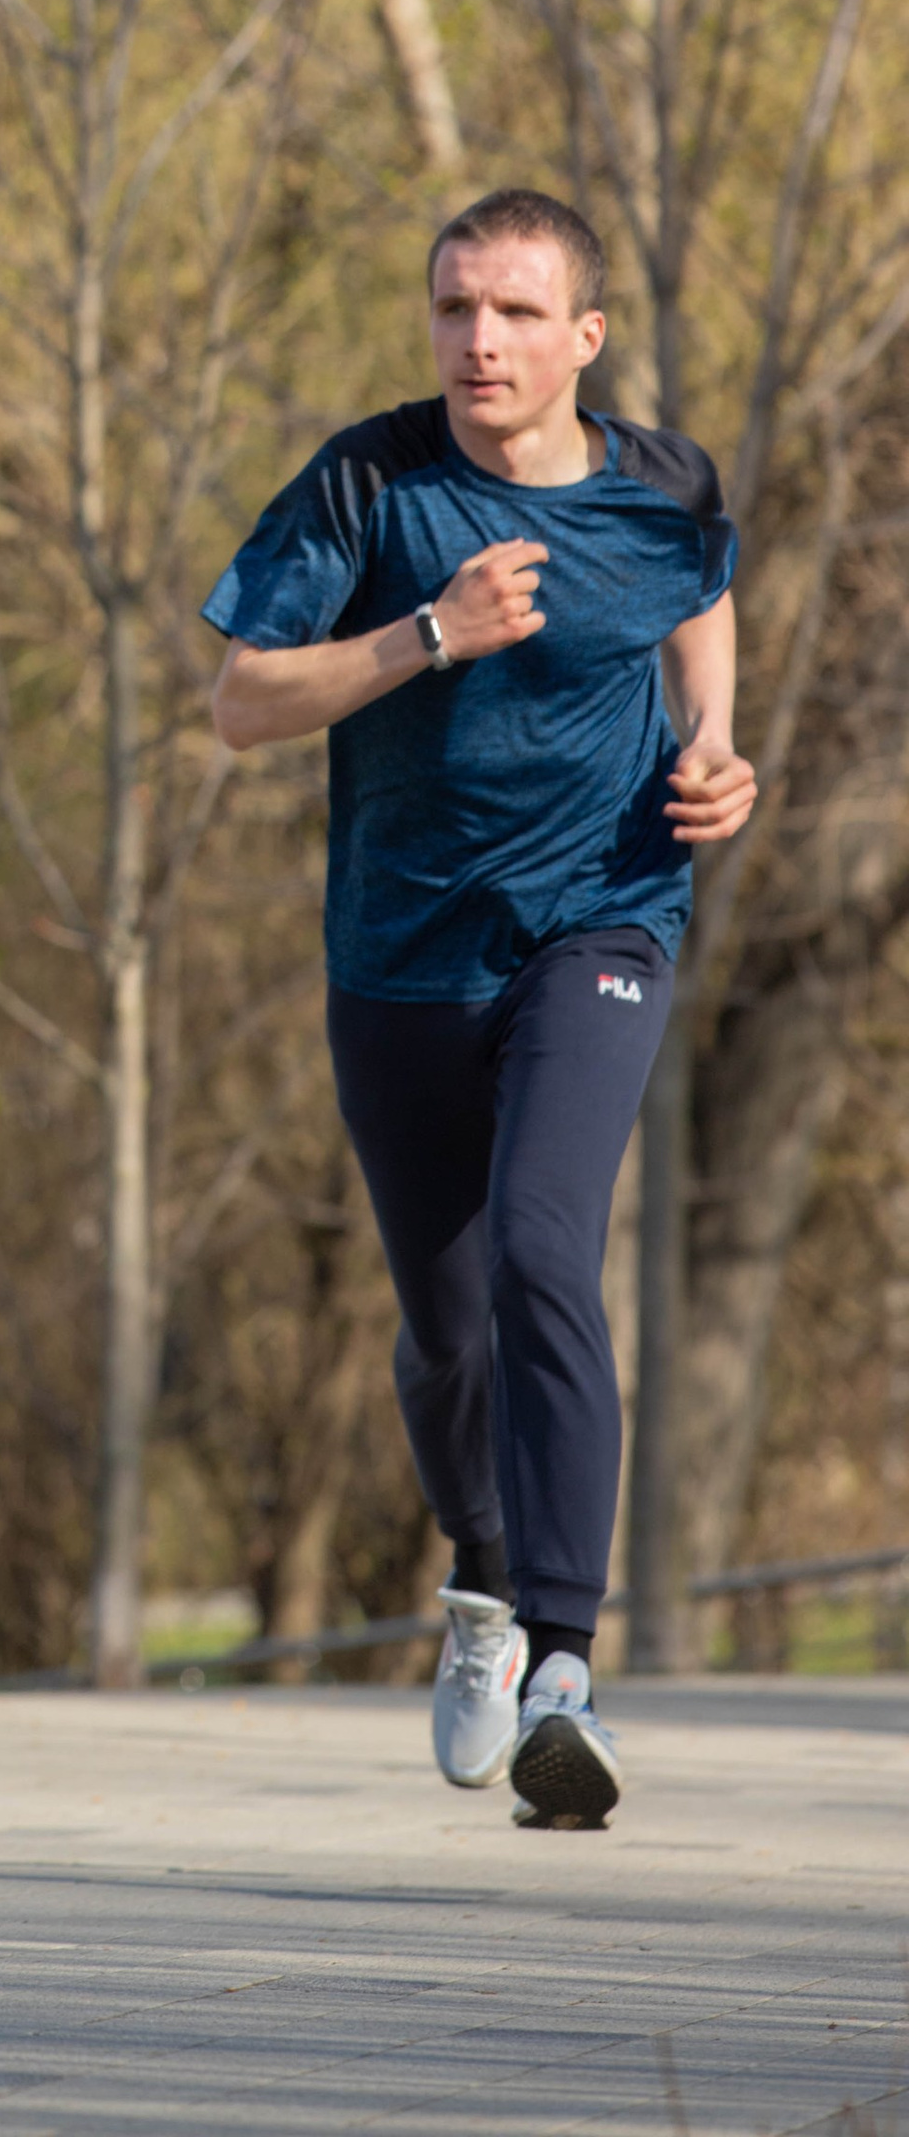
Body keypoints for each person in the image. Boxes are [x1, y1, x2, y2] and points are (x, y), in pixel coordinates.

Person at [201, 188, 753, 1828]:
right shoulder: (369, 482)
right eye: (454, 307)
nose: (478, 341)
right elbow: (241, 701)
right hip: (401, 958)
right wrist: (427, 635)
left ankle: (566, 1668)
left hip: (603, 916)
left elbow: (699, 593)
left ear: (585, 336)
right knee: (448, 1334)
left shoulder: (663, 482)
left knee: (540, 1248)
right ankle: (488, 1574)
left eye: (514, 313)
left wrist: (713, 742)